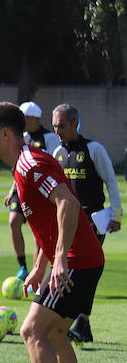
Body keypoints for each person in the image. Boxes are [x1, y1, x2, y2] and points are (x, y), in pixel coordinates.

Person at [0, 101, 104, 363]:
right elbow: (45, 222)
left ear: (6, 134)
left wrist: (60, 258)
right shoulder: (24, 165)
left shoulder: (31, 164)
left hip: (77, 259)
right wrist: (39, 265)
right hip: (83, 258)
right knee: (54, 334)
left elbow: (66, 202)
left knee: (31, 331)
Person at [51, 103, 119, 344]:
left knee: (83, 269)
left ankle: (79, 320)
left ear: (74, 124)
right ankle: (81, 323)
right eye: (54, 126)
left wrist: (117, 215)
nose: (57, 131)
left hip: (95, 220)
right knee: (74, 270)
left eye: (61, 126)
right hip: (69, 221)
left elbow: (111, 181)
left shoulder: (93, 149)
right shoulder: (57, 153)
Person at [3, 101, 61, 285]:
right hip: (22, 188)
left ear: (33, 118)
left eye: (25, 117)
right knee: (13, 222)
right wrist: (12, 189)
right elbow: (20, 166)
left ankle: (39, 276)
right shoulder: (23, 137)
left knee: (39, 237)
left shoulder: (50, 138)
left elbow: (51, 166)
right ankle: (22, 267)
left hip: (41, 192)